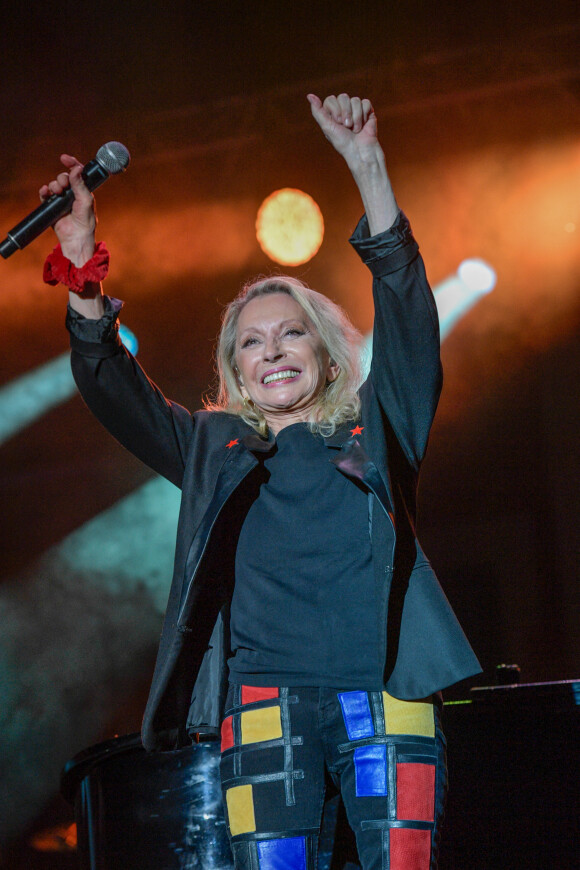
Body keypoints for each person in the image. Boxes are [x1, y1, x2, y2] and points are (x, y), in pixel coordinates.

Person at [41, 93, 481, 870]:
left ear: (326, 351)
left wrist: (367, 167)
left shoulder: (380, 427)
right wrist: (80, 258)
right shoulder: (212, 445)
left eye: (290, 333)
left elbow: (409, 313)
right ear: (236, 371)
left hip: (389, 696)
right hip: (263, 707)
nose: (272, 350)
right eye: (251, 342)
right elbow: (111, 381)